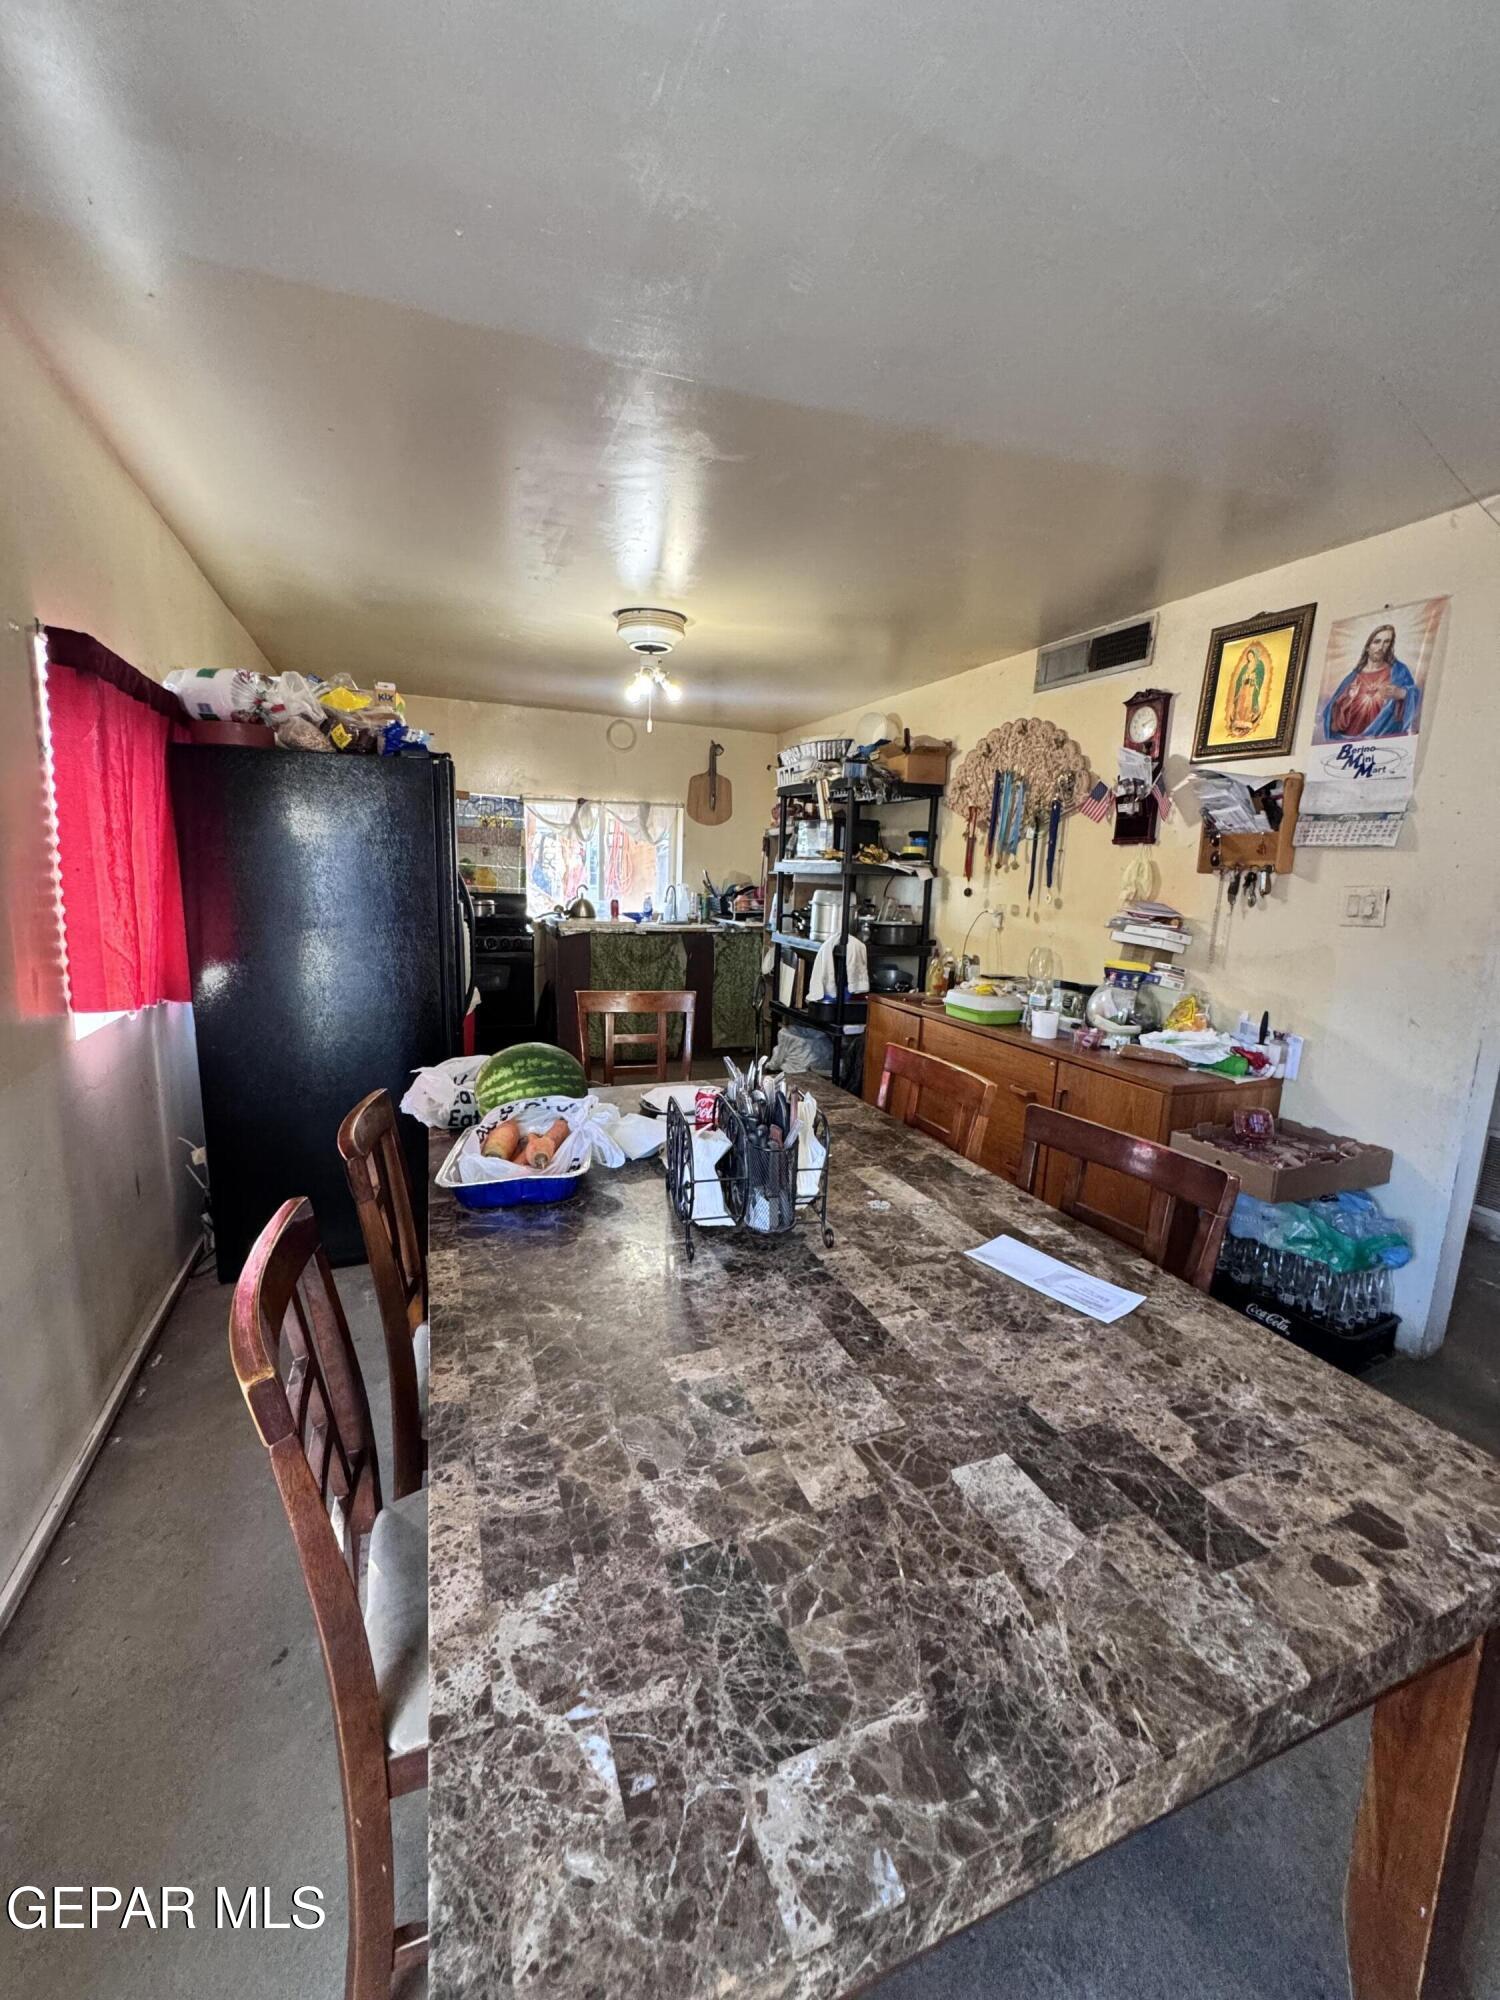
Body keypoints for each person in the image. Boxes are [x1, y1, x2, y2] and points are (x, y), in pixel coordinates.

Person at [1322, 622, 1421, 739]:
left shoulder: (1399, 671)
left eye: (1387, 642)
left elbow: (1416, 697)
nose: (1381, 647)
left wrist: (1403, 693)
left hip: (1383, 742)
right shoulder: (1353, 677)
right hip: (1348, 742)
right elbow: (1332, 719)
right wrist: (1348, 700)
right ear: (1367, 647)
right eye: (1377, 641)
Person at [1224, 640, 1270, 738]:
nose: (1250, 657)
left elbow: (1260, 677)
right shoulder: (1246, 666)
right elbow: (1239, 679)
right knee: (1241, 703)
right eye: (1248, 656)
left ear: (1254, 656)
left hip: (1251, 688)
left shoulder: (1259, 665)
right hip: (1244, 687)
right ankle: (1238, 719)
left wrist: (1254, 678)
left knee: (1248, 703)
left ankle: (1246, 720)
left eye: (1251, 656)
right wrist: (1244, 677)